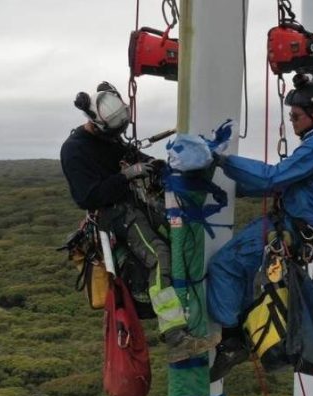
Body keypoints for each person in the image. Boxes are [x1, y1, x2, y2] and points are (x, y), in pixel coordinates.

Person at [207, 73, 313, 381]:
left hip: (289, 229)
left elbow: (271, 178)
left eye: (296, 116)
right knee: (248, 276)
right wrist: (229, 187)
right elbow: (281, 184)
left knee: (224, 266)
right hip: (298, 232)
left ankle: (231, 337)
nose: (292, 121)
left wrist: (221, 161)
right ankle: (240, 332)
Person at [60, 81, 205, 362]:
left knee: (185, 237)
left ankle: (196, 308)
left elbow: (128, 155)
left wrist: (153, 165)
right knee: (160, 256)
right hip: (113, 214)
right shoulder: (75, 150)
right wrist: (126, 177)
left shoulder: (108, 140)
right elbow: (87, 196)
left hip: (133, 204)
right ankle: (175, 334)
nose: (118, 138)